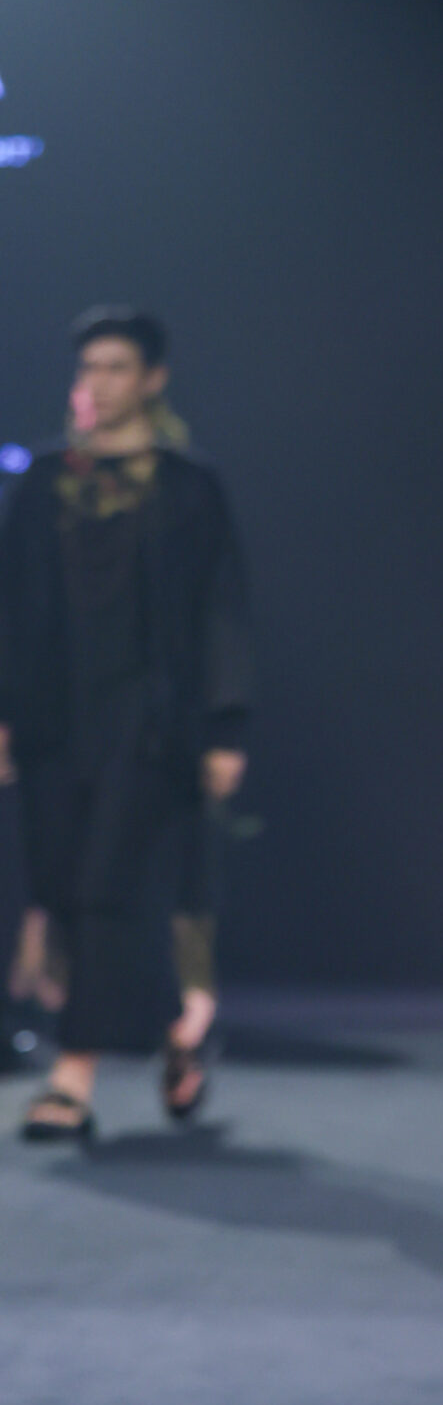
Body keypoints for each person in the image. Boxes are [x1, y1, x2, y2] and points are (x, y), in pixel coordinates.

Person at [0, 307, 250, 1138]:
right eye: (88, 368)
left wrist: (224, 726)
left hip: (150, 722)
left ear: (151, 379)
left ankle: (70, 1079)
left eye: (115, 367)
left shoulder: (188, 486)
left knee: (107, 886)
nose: (97, 384)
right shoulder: (43, 481)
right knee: (60, 885)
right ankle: (180, 1025)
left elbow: (221, 606)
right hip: (53, 719)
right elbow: (9, 606)